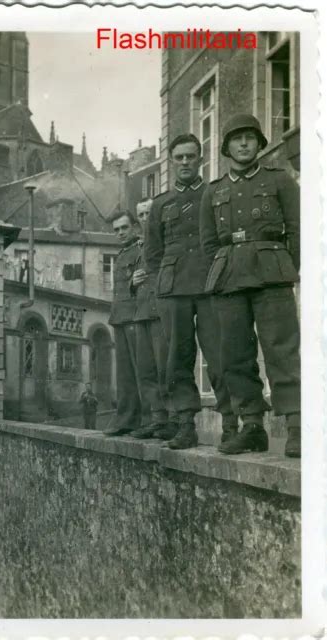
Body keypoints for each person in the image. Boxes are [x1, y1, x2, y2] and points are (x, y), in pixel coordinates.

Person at [199, 113, 300, 457]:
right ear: (226, 147)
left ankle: (298, 426)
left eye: (250, 137)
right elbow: (209, 244)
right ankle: (252, 426)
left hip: (272, 274)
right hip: (229, 280)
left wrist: (289, 268)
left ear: (259, 143)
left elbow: (298, 231)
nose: (244, 143)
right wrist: (222, 271)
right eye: (237, 138)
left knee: (281, 349)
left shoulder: (280, 181)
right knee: (235, 355)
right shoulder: (214, 192)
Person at [145, 133, 236, 449]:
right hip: (173, 291)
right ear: (171, 162)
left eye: (190, 156)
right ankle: (185, 423)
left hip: (211, 286)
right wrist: (163, 287)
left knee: (219, 354)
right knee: (177, 358)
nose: (185, 162)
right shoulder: (160, 204)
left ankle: (231, 423)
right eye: (179, 157)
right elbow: (152, 255)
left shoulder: (214, 194)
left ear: (200, 158)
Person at [130, 199, 179, 440]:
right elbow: (134, 281)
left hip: (161, 311)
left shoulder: (167, 239)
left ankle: (173, 419)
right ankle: (158, 419)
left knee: (165, 368)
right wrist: (132, 281)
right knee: (146, 370)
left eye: (149, 212)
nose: (145, 217)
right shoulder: (137, 247)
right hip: (141, 314)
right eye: (140, 213)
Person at [105, 210, 149, 436]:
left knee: (139, 370)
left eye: (124, 227)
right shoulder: (122, 253)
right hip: (121, 316)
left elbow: (144, 278)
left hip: (135, 315)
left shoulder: (141, 249)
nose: (120, 233)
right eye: (116, 230)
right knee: (124, 373)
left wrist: (135, 282)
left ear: (135, 226)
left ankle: (145, 420)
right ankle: (126, 418)